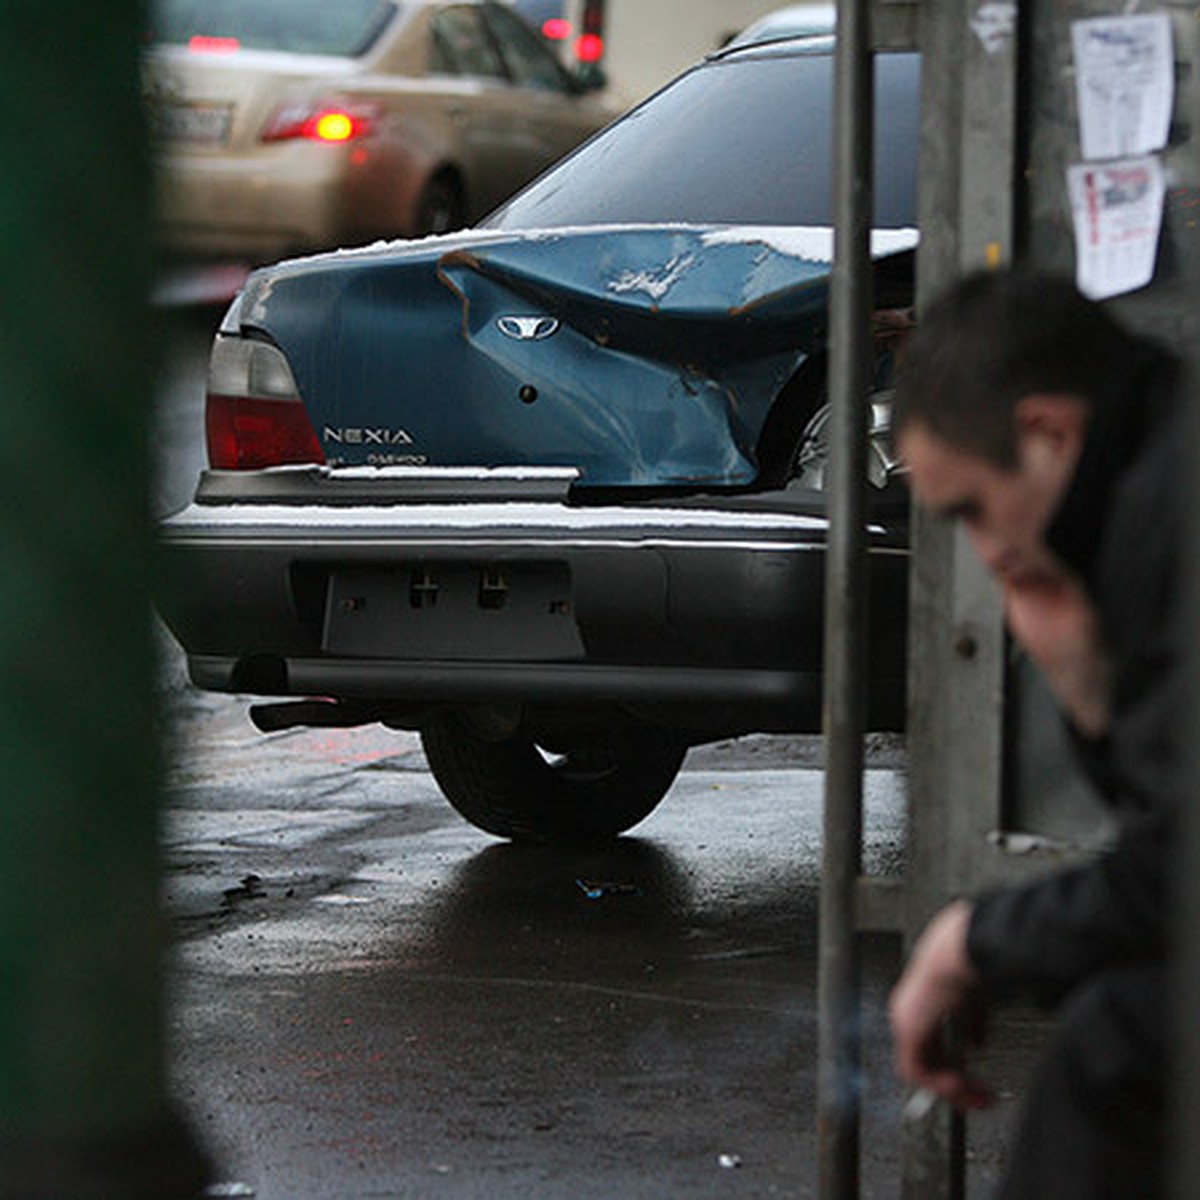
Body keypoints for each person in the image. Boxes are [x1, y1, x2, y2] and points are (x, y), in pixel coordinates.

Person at [886, 268, 1189, 1198]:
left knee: (1116, 1052)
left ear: (1050, 433)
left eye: (973, 509)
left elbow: (1175, 869)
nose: (986, 554)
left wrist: (973, 942)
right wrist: (1091, 692)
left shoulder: (1165, 522)